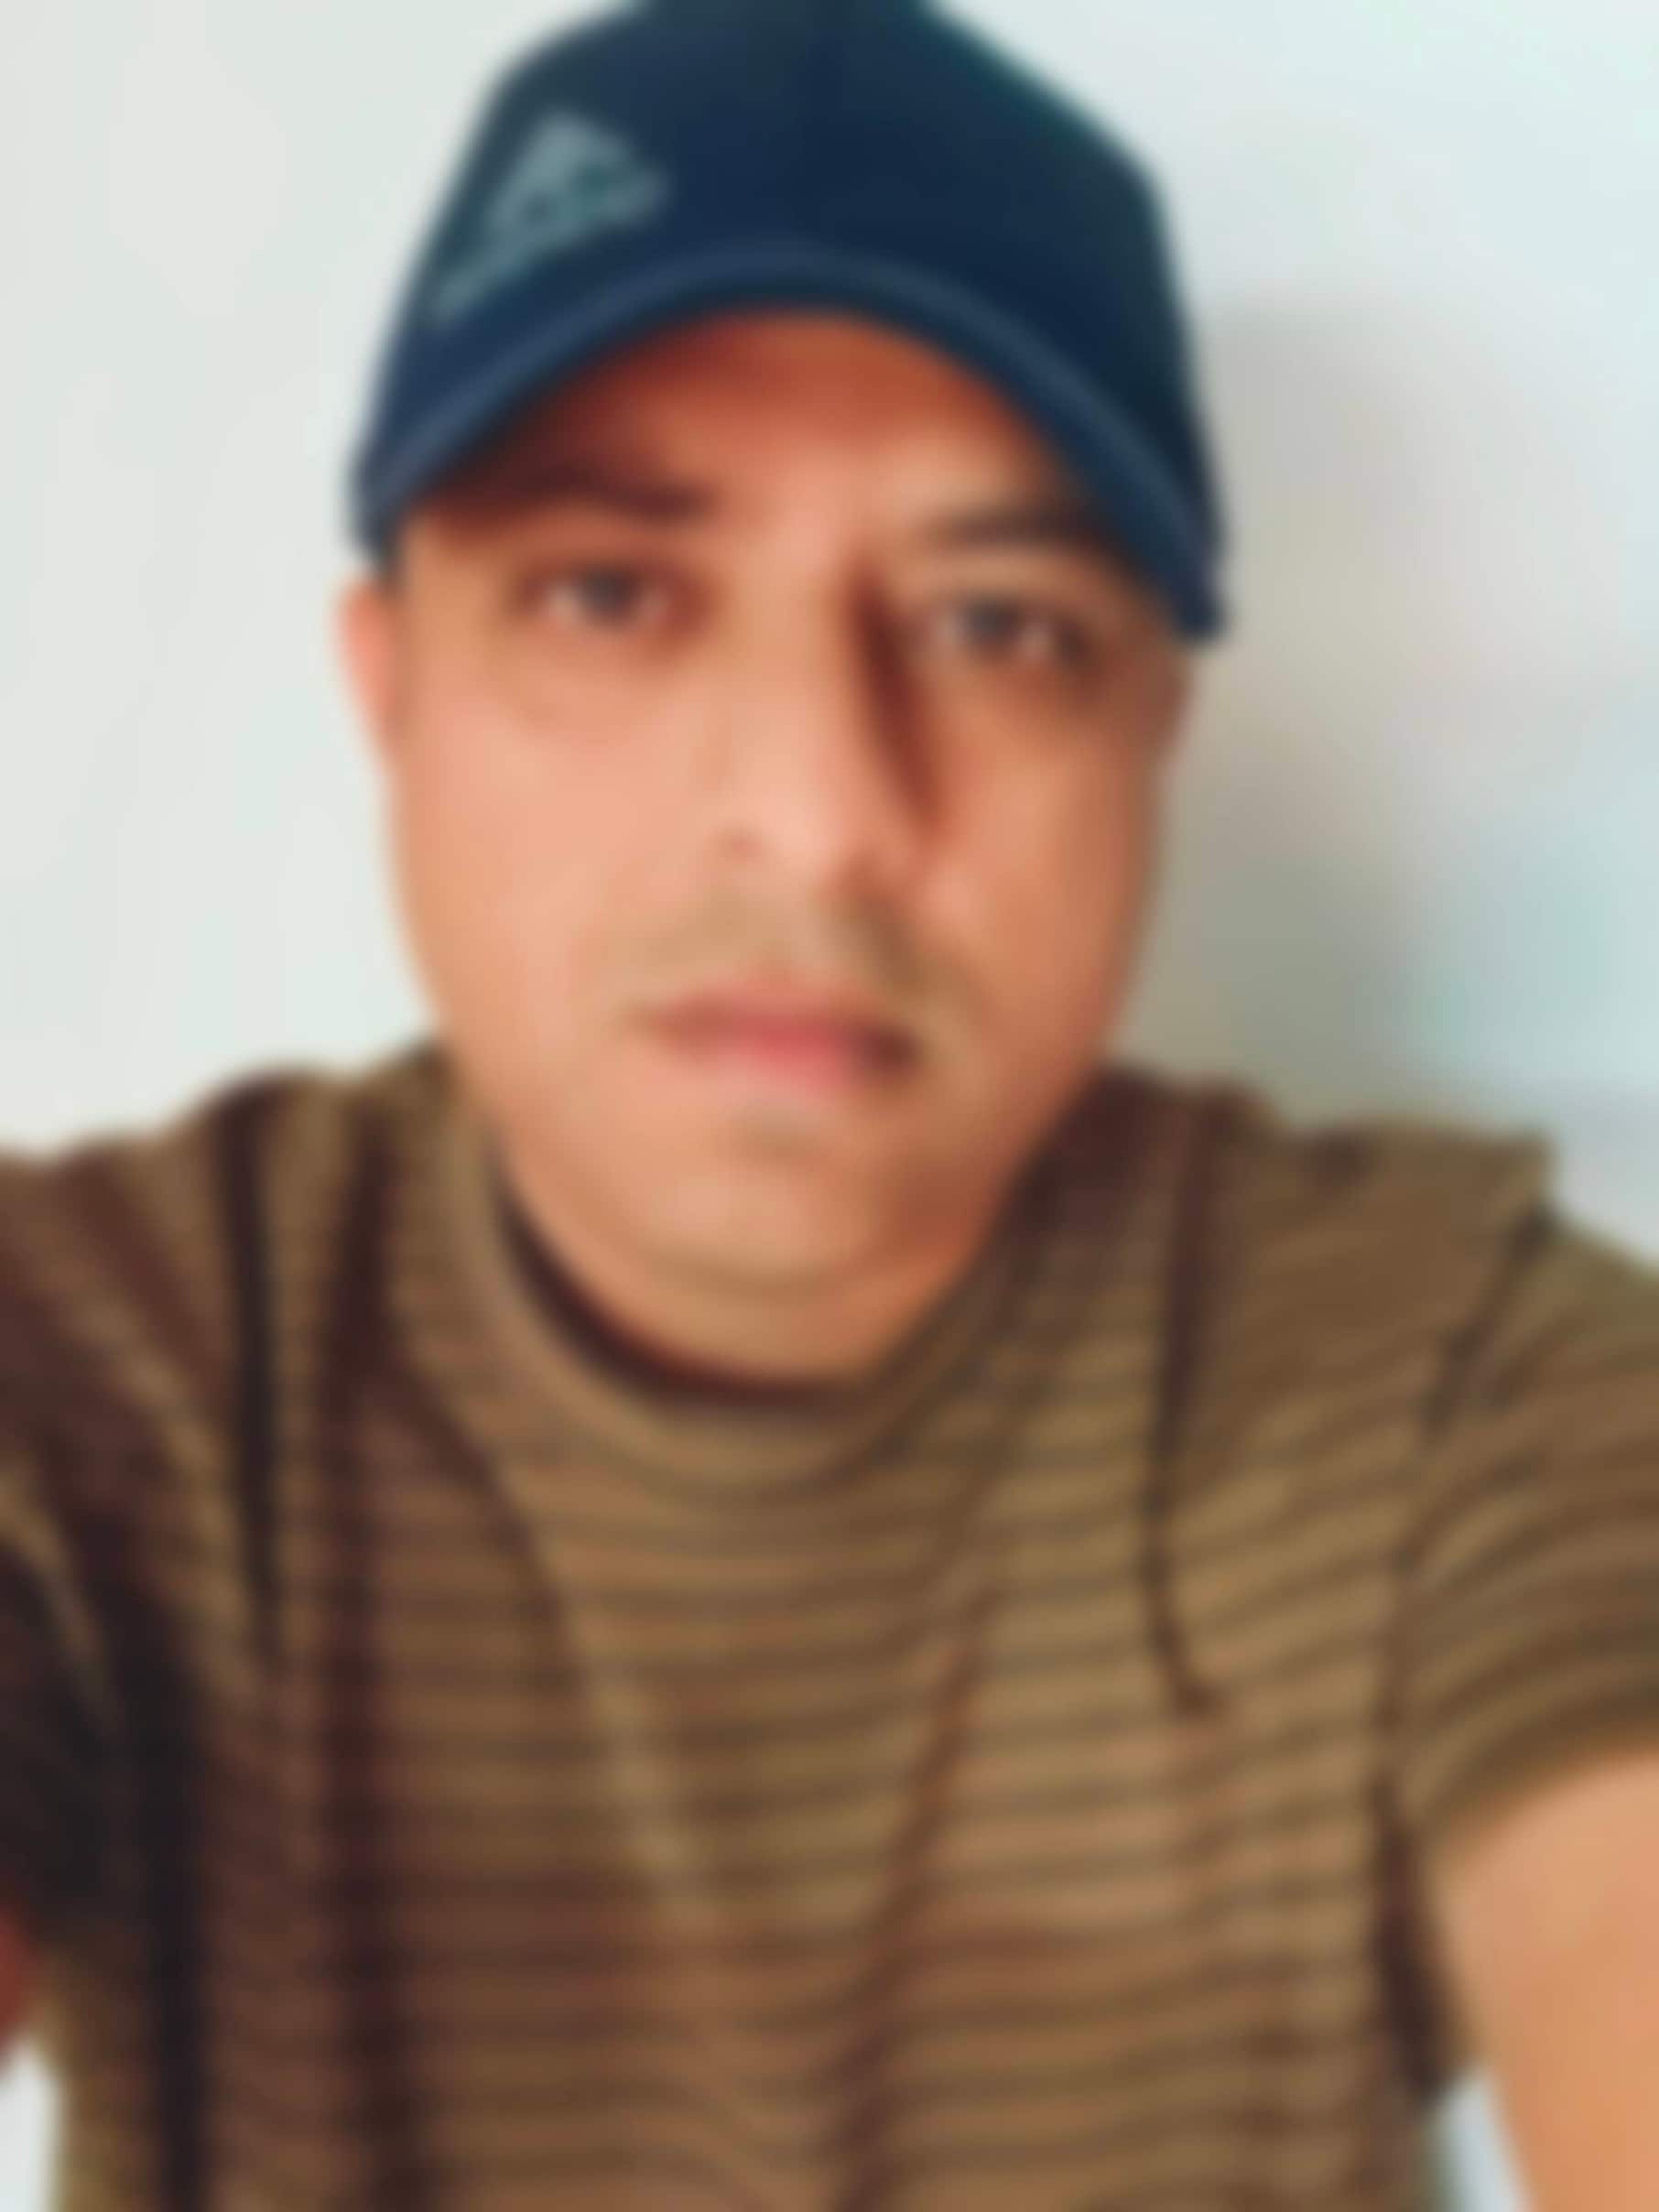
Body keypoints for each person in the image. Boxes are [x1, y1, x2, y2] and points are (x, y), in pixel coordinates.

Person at [2, 1, 1655, 2206]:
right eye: (610, 595)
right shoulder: (95, 1375)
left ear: (1150, 733)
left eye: (998, 627)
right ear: (391, 690)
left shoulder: (1447, 1386)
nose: (819, 808)